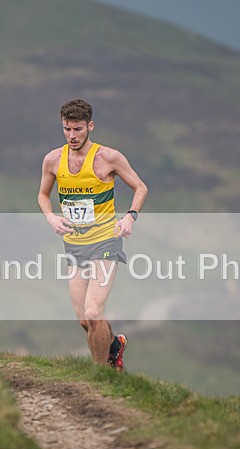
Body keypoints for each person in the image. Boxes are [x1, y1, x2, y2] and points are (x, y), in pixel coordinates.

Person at [38, 99, 148, 371]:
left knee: (93, 311)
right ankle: (114, 346)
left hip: (105, 242)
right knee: (85, 321)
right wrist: (51, 216)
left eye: (77, 129)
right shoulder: (53, 160)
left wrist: (129, 217)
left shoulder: (109, 158)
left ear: (90, 126)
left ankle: (100, 374)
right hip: (75, 246)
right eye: (66, 129)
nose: (72, 136)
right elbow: (42, 195)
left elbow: (141, 188)